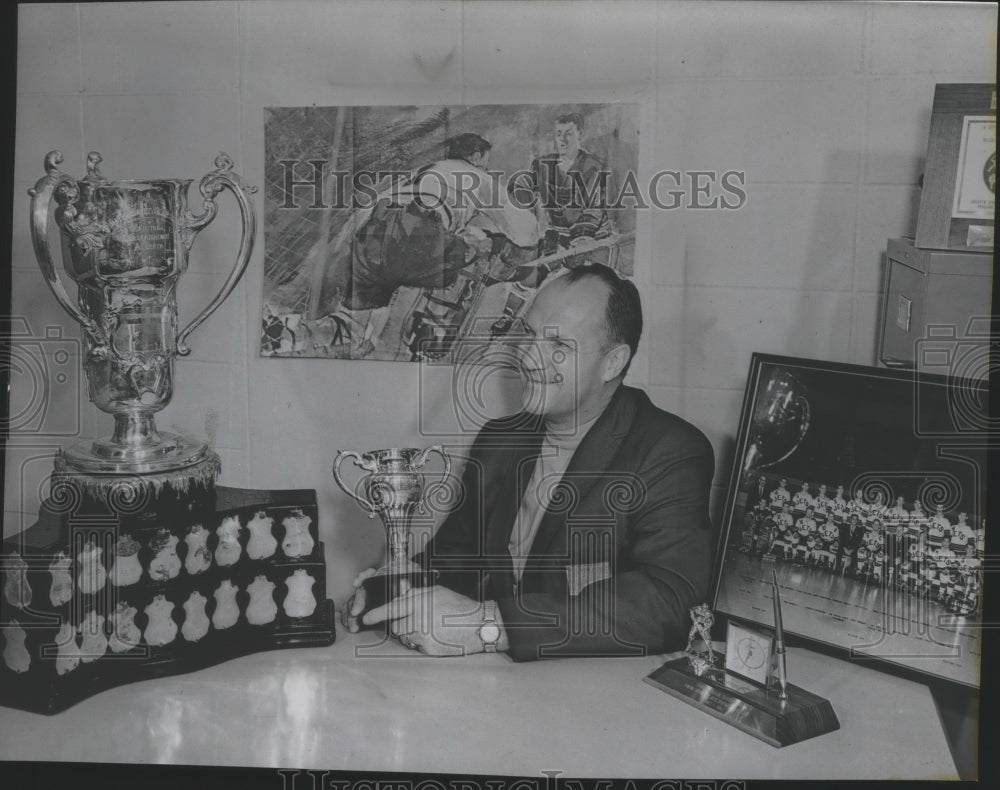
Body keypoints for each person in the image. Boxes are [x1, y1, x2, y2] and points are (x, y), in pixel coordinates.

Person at [345, 263, 715, 660]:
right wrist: (404, 584)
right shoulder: (499, 438)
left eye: (558, 347)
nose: (529, 357)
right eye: (529, 334)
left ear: (613, 363)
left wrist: (488, 626)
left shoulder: (670, 451)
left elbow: (670, 605)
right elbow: (457, 556)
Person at [326, 132, 539, 356]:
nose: (485, 170)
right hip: (418, 229)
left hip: (372, 230)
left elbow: (366, 214)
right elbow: (525, 229)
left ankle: (302, 335)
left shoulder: (423, 171)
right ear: (476, 157)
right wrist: (514, 244)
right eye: (485, 164)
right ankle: (432, 325)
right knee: (477, 249)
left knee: (353, 328)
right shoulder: (475, 176)